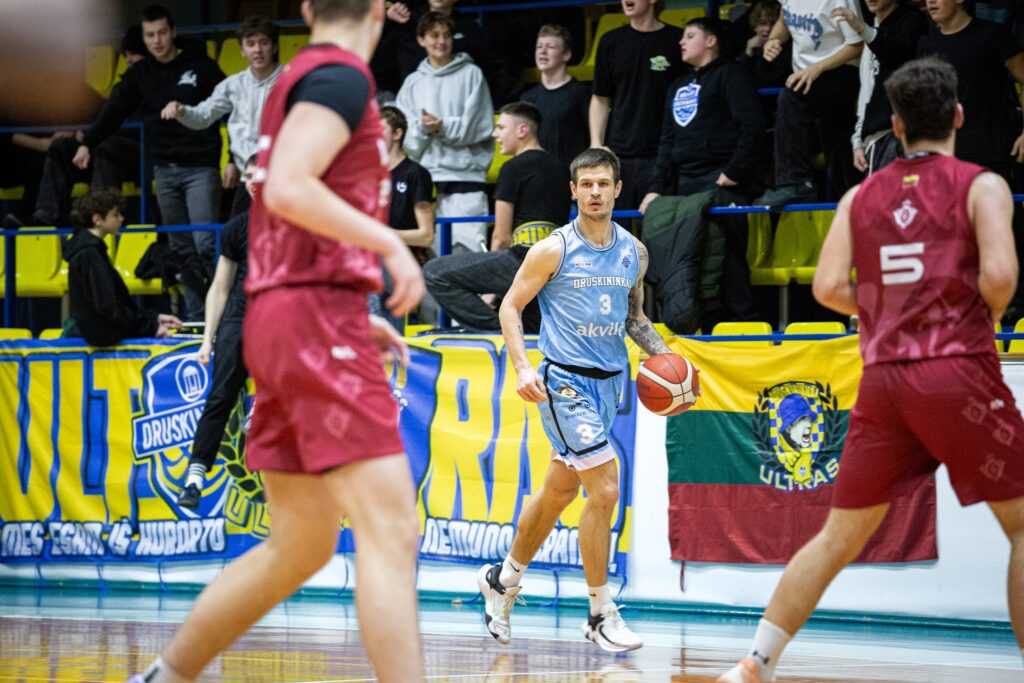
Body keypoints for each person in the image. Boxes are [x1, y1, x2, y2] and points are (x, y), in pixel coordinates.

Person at [126, 0, 426, 681]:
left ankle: (162, 676)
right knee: (390, 530)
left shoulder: (292, 79)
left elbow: (282, 211)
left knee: (302, 544)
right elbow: (288, 187)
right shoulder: (341, 78)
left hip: (287, 314)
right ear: (380, 11)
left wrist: (346, 304)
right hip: (309, 321)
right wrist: (388, 246)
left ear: (309, 8)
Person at [718, 57, 1024, 683]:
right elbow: (999, 277)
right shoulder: (981, 184)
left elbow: (829, 287)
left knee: (837, 537)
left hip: (885, 382)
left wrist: (890, 307)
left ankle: (756, 662)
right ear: (958, 117)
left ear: (896, 126)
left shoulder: (859, 196)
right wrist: (974, 312)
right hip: (957, 371)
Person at [478, 147, 675, 652]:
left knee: (559, 492)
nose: (595, 192)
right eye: (586, 184)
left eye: (603, 184)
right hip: (563, 383)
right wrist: (523, 366)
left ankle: (503, 578)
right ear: (573, 191)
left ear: (617, 189)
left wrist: (671, 362)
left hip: (609, 385)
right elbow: (510, 306)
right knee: (605, 488)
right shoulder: (553, 249)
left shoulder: (633, 251)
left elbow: (634, 318)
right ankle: (599, 612)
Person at [75, 4, 225, 320]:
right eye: (150, 35)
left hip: (200, 167)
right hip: (164, 170)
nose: (157, 41)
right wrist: (89, 143)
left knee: (206, 244)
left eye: (161, 33)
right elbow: (114, 110)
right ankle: (199, 317)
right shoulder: (141, 74)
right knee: (181, 249)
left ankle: (222, 316)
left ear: (173, 32)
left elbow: (229, 104)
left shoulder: (201, 66)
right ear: (143, 39)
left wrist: (236, 158)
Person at [639, 16, 763, 324]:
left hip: (723, 183)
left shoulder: (732, 74)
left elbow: (752, 126)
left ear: (710, 41)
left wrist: (733, 172)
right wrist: (655, 188)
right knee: (690, 262)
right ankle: (699, 331)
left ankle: (743, 329)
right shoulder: (677, 86)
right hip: (686, 187)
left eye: (690, 35)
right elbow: (667, 143)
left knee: (728, 262)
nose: (681, 41)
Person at [424, 101, 566, 332]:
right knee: (531, 326)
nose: (495, 134)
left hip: (522, 259)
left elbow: (501, 236)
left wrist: (490, 293)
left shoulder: (512, 168)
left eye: (501, 127)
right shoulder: (561, 167)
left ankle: (497, 331)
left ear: (522, 130)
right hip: (557, 266)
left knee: (434, 272)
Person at [177, 156, 258, 510]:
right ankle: (194, 478)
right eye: (249, 177)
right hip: (239, 319)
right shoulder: (237, 228)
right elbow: (221, 286)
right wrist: (207, 339)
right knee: (220, 396)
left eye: (261, 175)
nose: (253, 182)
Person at [162, 15, 284, 217]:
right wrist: (182, 110)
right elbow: (203, 117)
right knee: (235, 234)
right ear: (242, 50)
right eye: (250, 44)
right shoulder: (232, 85)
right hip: (248, 181)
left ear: (274, 47)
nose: (257, 50)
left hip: (283, 178)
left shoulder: (292, 80)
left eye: (264, 43)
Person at [395, 11, 494, 254]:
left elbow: (478, 125)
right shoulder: (412, 82)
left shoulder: (472, 74)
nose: (441, 41)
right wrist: (423, 128)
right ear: (421, 40)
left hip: (466, 177)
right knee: (430, 256)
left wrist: (442, 127)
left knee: (468, 253)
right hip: (425, 179)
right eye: (434, 35)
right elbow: (405, 137)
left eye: (446, 35)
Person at [755, 0, 864, 205]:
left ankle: (796, 182)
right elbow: (784, 20)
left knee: (791, 97)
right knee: (836, 148)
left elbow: (857, 44)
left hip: (839, 71)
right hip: (806, 76)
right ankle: (798, 183)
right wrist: (773, 40)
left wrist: (818, 67)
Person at [589, 0, 684, 210]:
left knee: (656, 224)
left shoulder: (676, 40)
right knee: (613, 226)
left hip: (661, 153)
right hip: (618, 154)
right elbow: (600, 98)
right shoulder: (610, 41)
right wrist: (596, 143)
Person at [62, 189, 182, 346]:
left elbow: (114, 306)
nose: (121, 219)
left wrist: (153, 318)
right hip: (103, 336)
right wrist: (150, 326)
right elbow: (109, 309)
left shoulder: (90, 250)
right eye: (116, 215)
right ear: (97, 219)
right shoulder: (90, 254)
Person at [834, 0, 928, 176]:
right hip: (876, 136)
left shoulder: (912, 20)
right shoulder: (871, 28)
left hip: (905, 131)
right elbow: (867, 89)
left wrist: (863, 30)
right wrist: (858, 139)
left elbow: (898, 56)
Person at [371, 105, 438, 331]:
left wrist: (383, 235)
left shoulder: (415, 174)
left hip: (404, 261)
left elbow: (426, 236)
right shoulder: (369, 175)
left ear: (397, 134)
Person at [521, 24, 591, 172]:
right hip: (538, 175)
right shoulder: (528, 98)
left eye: (550, 47)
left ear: (566, 55)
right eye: (539, 46)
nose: (543, 51)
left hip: (571, 175)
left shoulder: (581, 93)